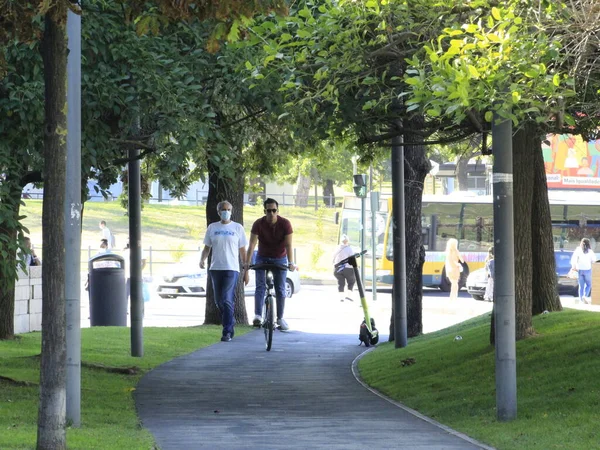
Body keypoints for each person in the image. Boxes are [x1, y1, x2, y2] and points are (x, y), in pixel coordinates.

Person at [200, 201, 249, 342]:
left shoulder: (237, 228)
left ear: (231, 211)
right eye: (223, 209)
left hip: (231, 268)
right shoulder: (212, 227)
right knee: (219, 301)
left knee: (227, 299)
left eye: (228, 209)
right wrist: (202, 259)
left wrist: (246, 269)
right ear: (218, 211)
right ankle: (231, 320)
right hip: (216, 268)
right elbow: (207, 247)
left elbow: (242, 250)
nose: (225, 211)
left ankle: (227, 331)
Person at [246, 198, 295, 331]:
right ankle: (257, 315)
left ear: (277, 211)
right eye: (269, 211)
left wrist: (291, 262)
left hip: (280, 258)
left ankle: (280, 317)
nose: (271, 213)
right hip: (262, 257)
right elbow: (251, 244)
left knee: (280, 289)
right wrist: (247, 263)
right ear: (265, 211)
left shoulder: (285, 223)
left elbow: (289, 245)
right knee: (260, 286)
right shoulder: (258, 223)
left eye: (274, 210)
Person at [570, 238, 597, 304]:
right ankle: (585, 296)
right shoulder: (590, 251)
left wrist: (573, 267)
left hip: (579, 270)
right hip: (587, 270)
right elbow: (594, 260)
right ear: (589, 244)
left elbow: (573, 259)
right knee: (589, 284)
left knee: (581, 286)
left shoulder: (578, 250)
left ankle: (581, 300)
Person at [332, 234, 355, 302]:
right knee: (351, 281)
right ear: (347, 241)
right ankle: (349, 296)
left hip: (337, 268)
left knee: (340, 282)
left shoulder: (337, 248)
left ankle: (341, 298)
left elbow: (333, 257)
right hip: (348, 268)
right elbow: (352, 259)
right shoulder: (349, 249)